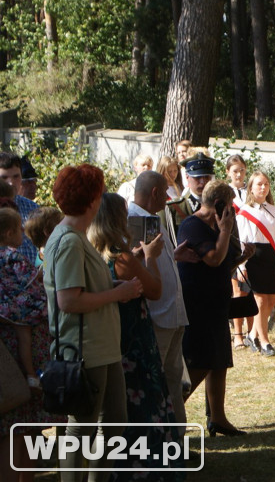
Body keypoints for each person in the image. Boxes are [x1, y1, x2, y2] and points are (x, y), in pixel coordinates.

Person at [44, 164, 143, 479]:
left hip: (101, 346)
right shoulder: (70, 240)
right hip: (84, 350)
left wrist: (112, 289)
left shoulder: (75, 236)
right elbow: (68, 300)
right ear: (92, 200)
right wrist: (117, 294)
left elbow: (79, 291)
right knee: (82, 433)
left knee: (114, 421)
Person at [88, 192, 184, 477]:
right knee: (144, 400)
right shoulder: (121, 256)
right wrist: (151, 258)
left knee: (115, 407)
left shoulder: (91, 252)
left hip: (109, 336)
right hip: (135, 339)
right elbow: (155, 291)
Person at [177, 179, 247, 436]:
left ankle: (218, 417)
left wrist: (242, 258)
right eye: (229, 206)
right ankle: (170, 416)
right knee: (200, 363)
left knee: (219, 362)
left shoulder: (216, 227)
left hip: (217, 304)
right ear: (219, 204)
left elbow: (222, 265)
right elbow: (213, 258)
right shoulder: (193, 226)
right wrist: (226, 230)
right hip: (198, 307)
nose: (232, 211)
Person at [0, 207, 61, 481]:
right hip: (21, 346)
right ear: (10, 232)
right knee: (24, 422)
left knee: (11, 426)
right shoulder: (13, 258)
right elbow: (36, 298)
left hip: (5, 349)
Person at [130, 170, 193, 433]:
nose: (168, 198)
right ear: (155, 192)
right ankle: (164, 440)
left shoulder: (150, 218)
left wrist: (173, 255)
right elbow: (132, 264)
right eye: (165, 192)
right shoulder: (133, 220)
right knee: (158, 381)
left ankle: (176, 438)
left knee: (173, 379)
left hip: (172, 311)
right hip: (158, 313)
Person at [236, 170, 275, 356]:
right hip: (253, 257)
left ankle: (252, 334)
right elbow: (241, 241)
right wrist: (242, 265)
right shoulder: (244, 212)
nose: (263, 187)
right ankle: (265, 342)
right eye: (259, 184)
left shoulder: (273, 210)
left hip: (270, 257)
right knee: (259, 300)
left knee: (271, 299)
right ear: (251, 187)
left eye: (266, 183)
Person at [224, 155, 253, 350]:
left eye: (242, 170)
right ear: (228, 172)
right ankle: (238, 334)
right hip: (234, 245)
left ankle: (253, 333)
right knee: (237, 291)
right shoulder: (226, 193)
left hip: (251, 244)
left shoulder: (250, 191)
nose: (239, 174)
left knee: (251, 291)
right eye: (235, 170)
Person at [0, 152, 40, 263]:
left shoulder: (33, 209)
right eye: (4, 177)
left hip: (31, 275)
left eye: (16, 176)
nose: (11, 183)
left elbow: (45, 247)